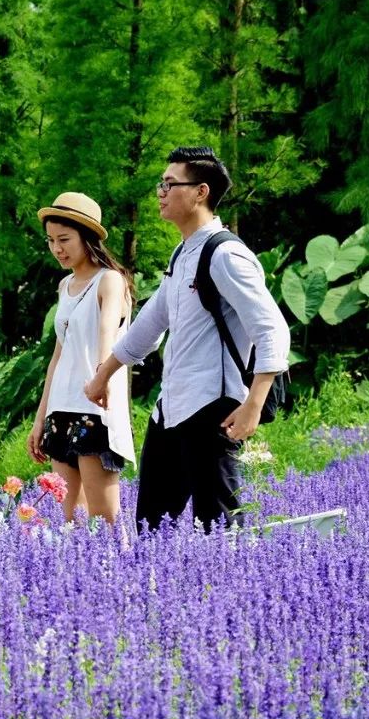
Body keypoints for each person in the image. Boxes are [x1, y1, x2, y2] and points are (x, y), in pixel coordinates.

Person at [84, 146, 290, 533]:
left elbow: (272, 329)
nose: (161, 191)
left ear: (201, 192)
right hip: (171, 409)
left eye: (170, 183)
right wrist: (104, 373)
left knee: (216, 528)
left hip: (213, 407)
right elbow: (151, 322)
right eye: (160, 184)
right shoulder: (182, 254)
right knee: (150, 528)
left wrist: (254, 405)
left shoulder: (225, 254)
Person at [28, 192, 137, 529]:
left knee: (104, 520)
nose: (57, 249)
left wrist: (100, 380)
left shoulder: (110, 280)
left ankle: (118, 579)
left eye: (64, 239)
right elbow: (58, 357)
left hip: (94, 408)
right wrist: (39, 418)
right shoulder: (65, 285)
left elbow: (107, 335)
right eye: (51, 241)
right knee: (66, 518)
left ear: (87, 238)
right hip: (61, 408)